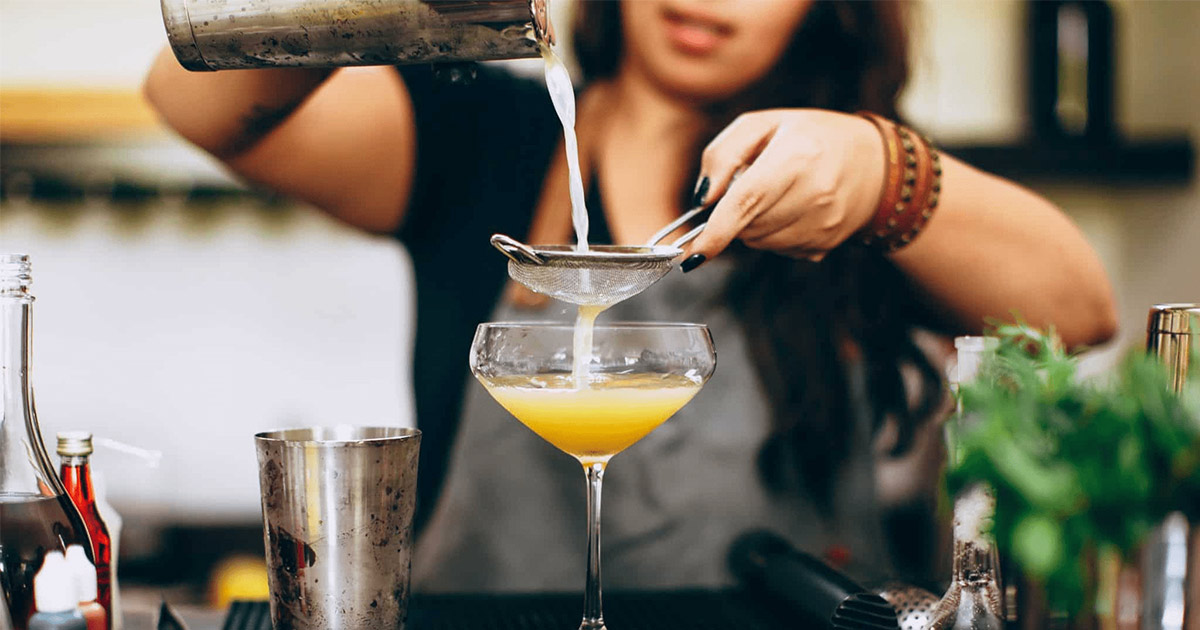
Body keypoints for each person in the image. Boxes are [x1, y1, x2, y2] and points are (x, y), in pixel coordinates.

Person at [144, 0, 1116, 590]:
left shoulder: (825, 178)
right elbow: (192, 100)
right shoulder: (481, 136)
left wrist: (880, 169)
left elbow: (1078, 309)